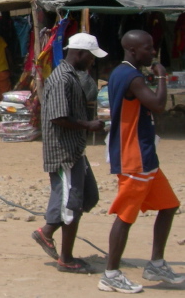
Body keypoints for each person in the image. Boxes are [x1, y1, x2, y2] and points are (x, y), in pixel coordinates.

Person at [98, 30, 184, 293]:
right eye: (148, 49)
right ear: (133, 51)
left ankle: (156, 263)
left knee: (169, 205)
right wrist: (161, 75)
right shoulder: (131, 77)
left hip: (145, 155)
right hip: (134, 155)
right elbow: (158, 104)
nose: (152, 52)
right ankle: (110, 274)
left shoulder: (122, 73)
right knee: (125, 216)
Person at [31, 32, 106, 274]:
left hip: (74, 149)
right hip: (63, 151)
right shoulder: (62, 79)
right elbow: (58, 117)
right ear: (81, 54)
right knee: (70, 204)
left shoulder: (73, 77)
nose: (92, 62)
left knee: (85, 197)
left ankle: (49, 233)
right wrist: (88, 125)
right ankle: (64, 256)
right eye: (91, 58)